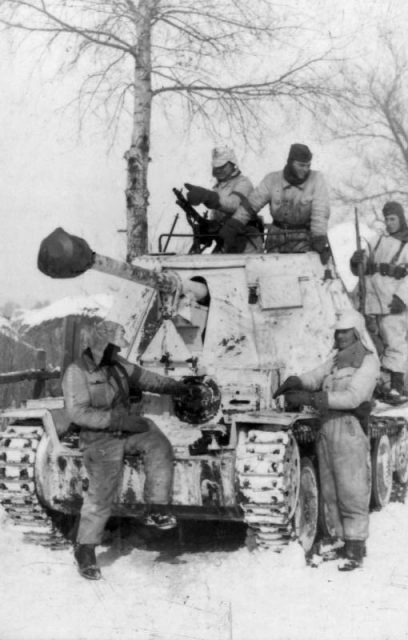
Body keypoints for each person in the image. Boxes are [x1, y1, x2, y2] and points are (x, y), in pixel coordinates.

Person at [62, 319, 190, 581]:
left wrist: (178, 386)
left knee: (157, 443)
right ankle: (85, 549)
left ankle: (157, 507)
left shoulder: (117, 365)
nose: (117, 352)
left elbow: (145, 378)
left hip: (125, 431)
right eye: (113, 347)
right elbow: (77, 412)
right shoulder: (77, 372)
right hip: (99, 438)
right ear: (101, 345)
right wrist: (116, 421)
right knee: (101, 492)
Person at [274, 308, 379, 570]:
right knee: (330, 489)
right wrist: (296, 381)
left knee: (351, 489)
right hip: (327, 427)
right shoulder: (336, 360)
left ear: (356, 333)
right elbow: (316, 376)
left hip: (349, 427)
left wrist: (312, 399)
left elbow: (354, 397)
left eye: (345, 331)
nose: (341, 336)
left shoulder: (367, 361)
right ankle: (338, 539)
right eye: (338, 332)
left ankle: (355, 547)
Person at [218, 143, 331, 259]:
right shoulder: (273, 179)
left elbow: (320, 211)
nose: (305, 169)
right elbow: (251, 204)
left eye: (308, 165)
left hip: (303, 240)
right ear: (290, 162)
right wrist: (234, 224)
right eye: (301, 165)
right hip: (276, 238)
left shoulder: (316, 179)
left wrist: (319, 238)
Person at [351, 201, 408, 404]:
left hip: (393, 302)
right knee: (371, 343)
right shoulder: (377, 241)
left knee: (395, 341)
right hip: (371, 300)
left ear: (401, 219)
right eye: (387, 219)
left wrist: (402, 298)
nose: (389, 223)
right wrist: (356, 260)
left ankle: (397, 387)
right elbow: (363, 265)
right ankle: (376, 384)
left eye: (393, 219)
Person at [184, 146, 263, 253]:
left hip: (247, 241)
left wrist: (209, 197)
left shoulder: (243, 183)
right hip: (227, 241)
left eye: (222, 166)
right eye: (216, 167)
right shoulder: (219, 187)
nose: (219, 170)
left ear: (232, 164)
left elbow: (235, 204)